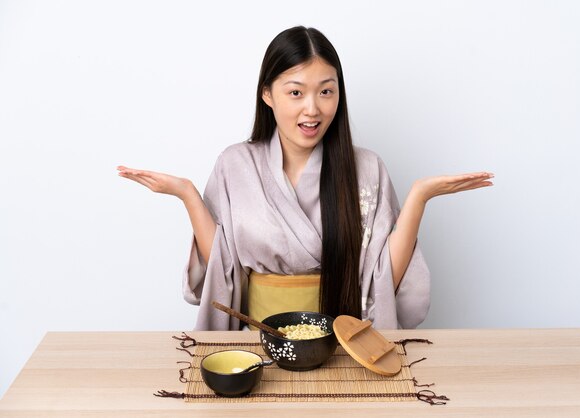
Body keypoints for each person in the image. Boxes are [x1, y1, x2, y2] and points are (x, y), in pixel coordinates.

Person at [117, 26, 493, 331]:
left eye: (326, 92)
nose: (312, 109)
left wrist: (418, 198)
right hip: (258, 345)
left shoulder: (367, 168)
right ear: (268, 94)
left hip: (342, 343)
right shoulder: (235, 164)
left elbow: (382, 280)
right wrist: (187, 195)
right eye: (295, 92)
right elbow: (223, 266)